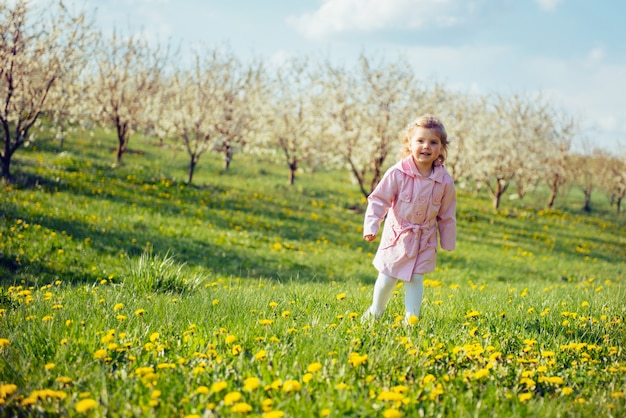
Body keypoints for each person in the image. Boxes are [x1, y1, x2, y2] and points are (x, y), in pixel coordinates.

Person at [362, 114, 456, 324]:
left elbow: (447, 214)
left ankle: (411, 320)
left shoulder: (444, 181)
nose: (426, 146)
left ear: (441, 148)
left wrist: (448, 241)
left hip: (425, 238)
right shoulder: (397, 173)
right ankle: (375, 312)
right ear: (409, 143)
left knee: (416, 279)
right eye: (420, 141)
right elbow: (378, 200)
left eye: (433, 142)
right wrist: (372, 225)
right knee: (387, 277)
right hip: (398, 236)